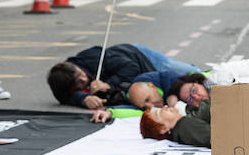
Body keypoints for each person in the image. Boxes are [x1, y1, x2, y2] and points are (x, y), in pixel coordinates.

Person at [48, 44, 200, 110]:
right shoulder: (62, 83)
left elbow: (130, 68)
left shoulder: (92, 58)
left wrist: (108, 85)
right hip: (143, 80)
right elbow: (63, 96)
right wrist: (82, 98)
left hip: (140, 57)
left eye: (80, 74)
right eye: (78, 83)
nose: (83, 79)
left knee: (188, 73)